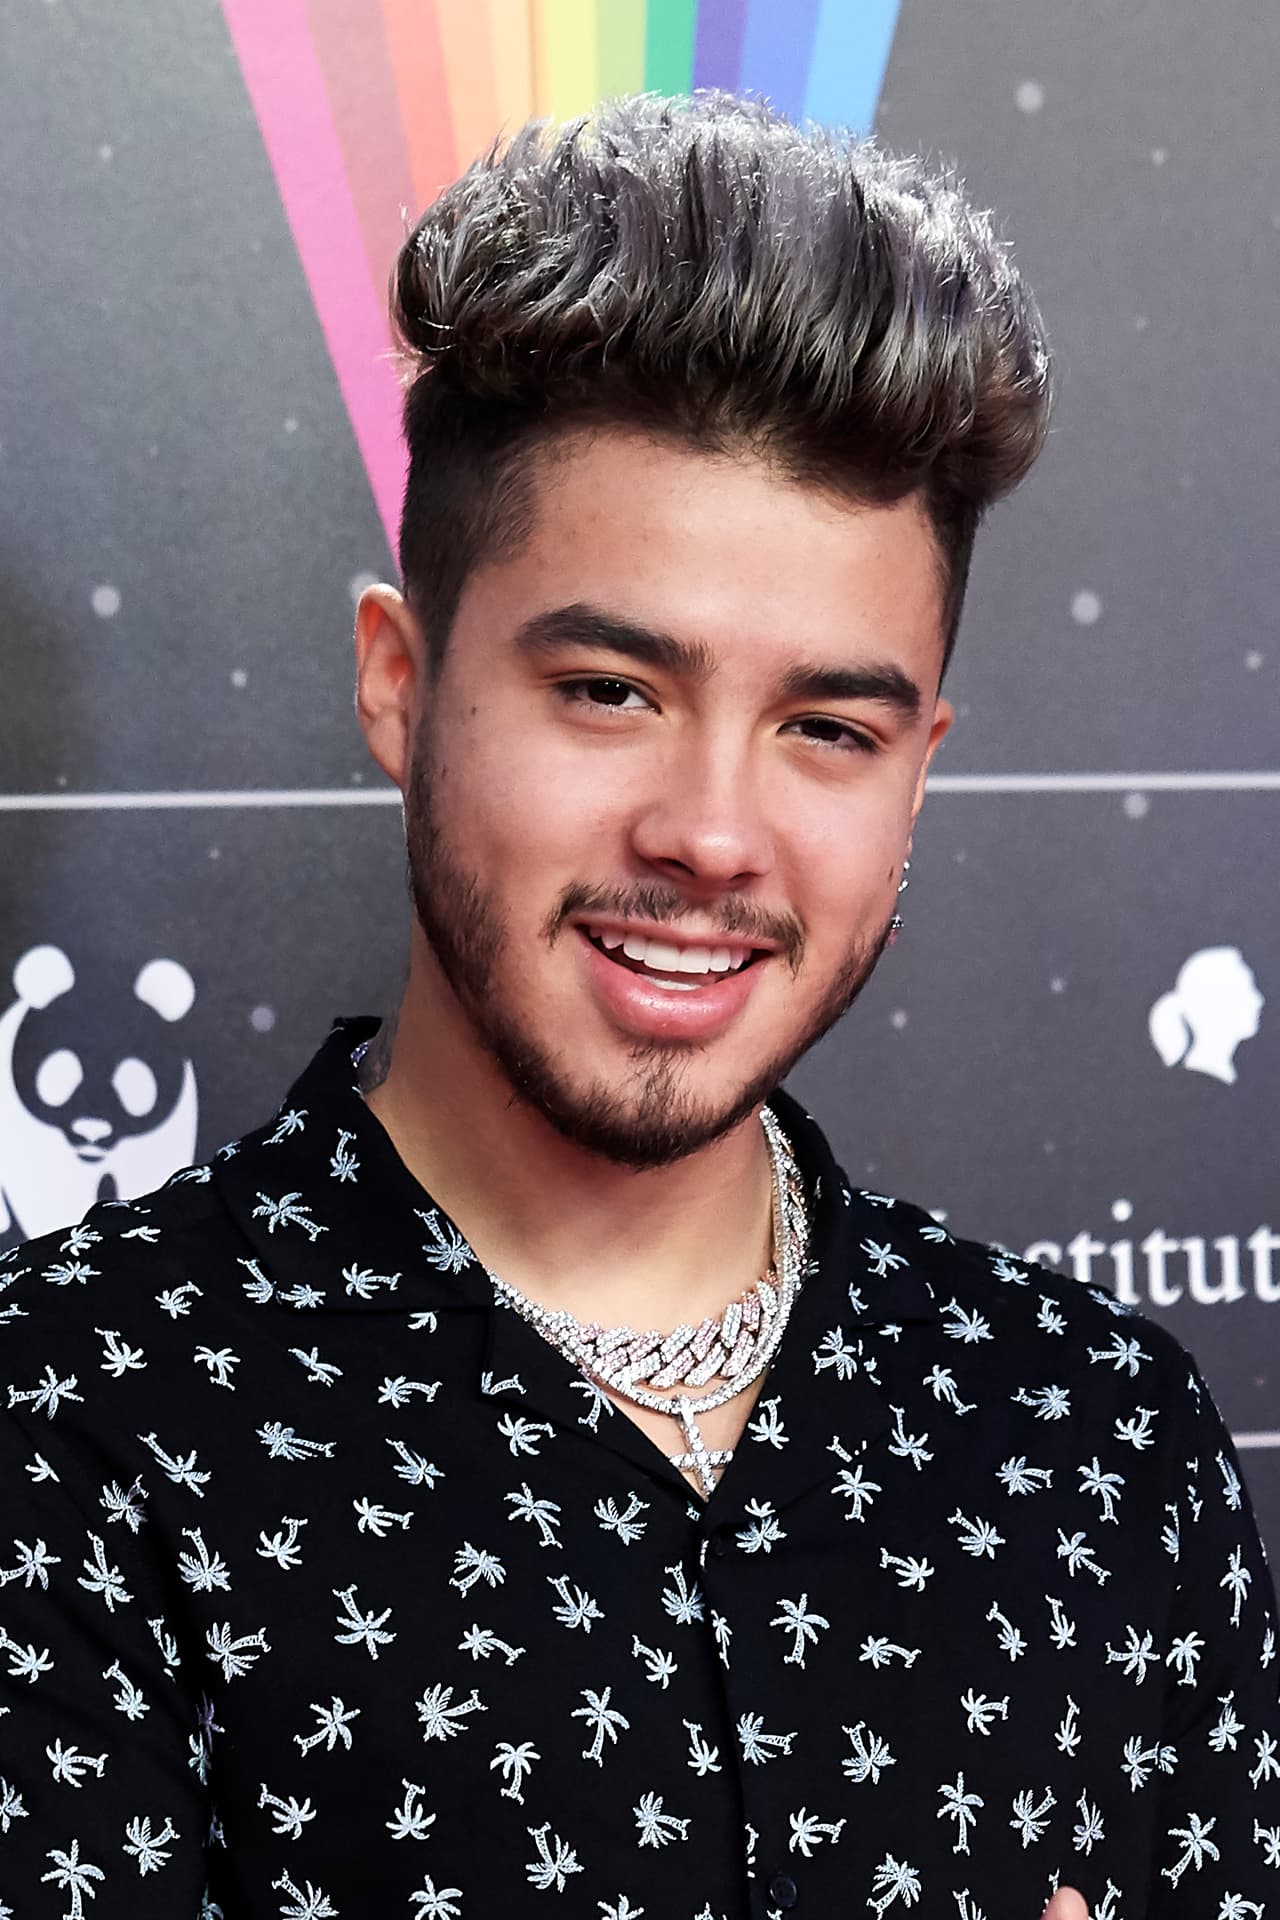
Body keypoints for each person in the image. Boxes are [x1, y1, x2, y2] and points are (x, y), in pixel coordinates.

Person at [2, 93, 1274, 1920]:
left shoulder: (1099, 1445)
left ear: (920, 768)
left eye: (826, 728)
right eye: (610, 691)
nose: (711, 834)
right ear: (400, 682)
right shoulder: (70, 1425)